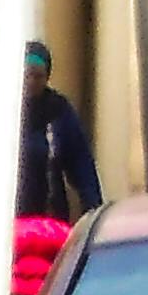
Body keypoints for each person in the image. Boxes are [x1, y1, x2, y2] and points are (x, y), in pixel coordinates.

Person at [18, 39, 101, 221]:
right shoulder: (3, 110)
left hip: (49, 216)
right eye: (27, 75)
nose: (31, 82)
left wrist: (93, 210)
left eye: (38, 76)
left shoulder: (58, 111)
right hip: (8, 219)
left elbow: (81, 163)